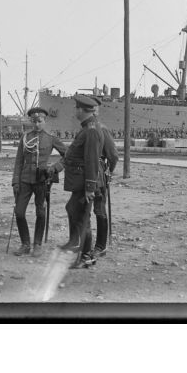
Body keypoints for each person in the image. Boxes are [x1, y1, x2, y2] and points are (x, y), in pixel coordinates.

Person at [11, 107, 67, 257]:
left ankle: (37, 244)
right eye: (34, 121)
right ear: (31, 121)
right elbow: (18, 162)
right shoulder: (25, 138)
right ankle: (25, 244)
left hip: (41, 180)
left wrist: (55, 168)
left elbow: (68, 155)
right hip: (24, 180)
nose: (37, 124)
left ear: (45, 121)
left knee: (40, 212)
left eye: (40, 121)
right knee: (19, 212)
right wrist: (15, 182)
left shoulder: (51, 138)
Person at [73, 100, 119, 268]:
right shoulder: (88, 128)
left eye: (96, 108)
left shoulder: (101, 129)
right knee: (89, 211)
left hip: (99, 176)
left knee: (99, 211)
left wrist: (109, 172)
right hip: (90, 175)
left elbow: (113, 155)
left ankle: (100, 246)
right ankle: (87, 247)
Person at [59, 95, 105, 259]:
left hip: (85, 183)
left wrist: (89, 189)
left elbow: (92, 161)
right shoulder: (87, 128)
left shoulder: (91, 131)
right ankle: (76, 243)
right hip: (79, 182)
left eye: (76, 108)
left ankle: (86, 256)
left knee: (82, 216)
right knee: (72, 209)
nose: (75, 111)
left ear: (82, 110)